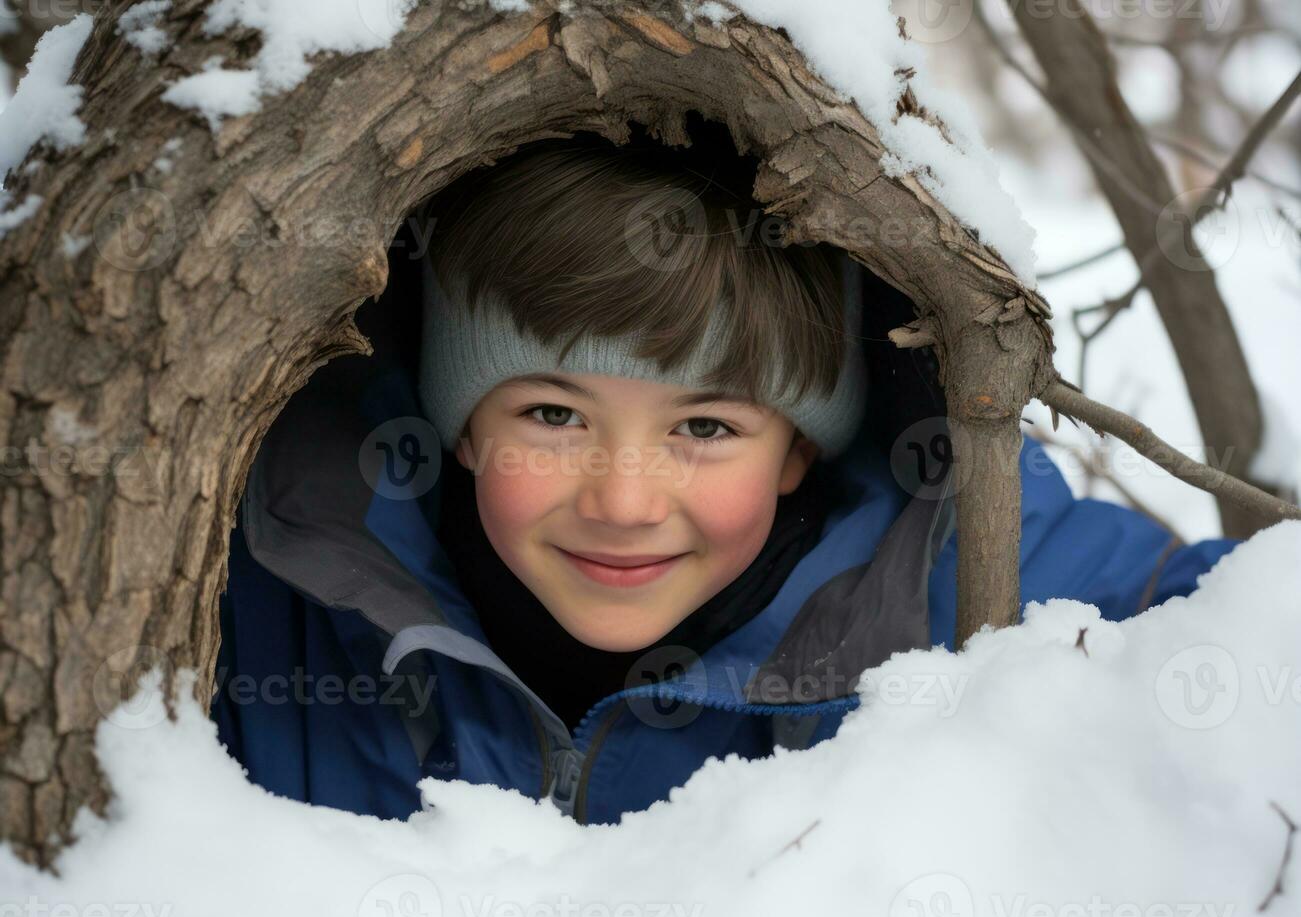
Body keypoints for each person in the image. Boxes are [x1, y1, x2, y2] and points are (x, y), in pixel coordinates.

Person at [210, 138, 1241, 824]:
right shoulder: (286, 571)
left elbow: (1252, 621)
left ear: (798, 450)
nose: (622, 501)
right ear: (461, 426)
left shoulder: (941, 563)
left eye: (703, 425)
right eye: (552, 415)